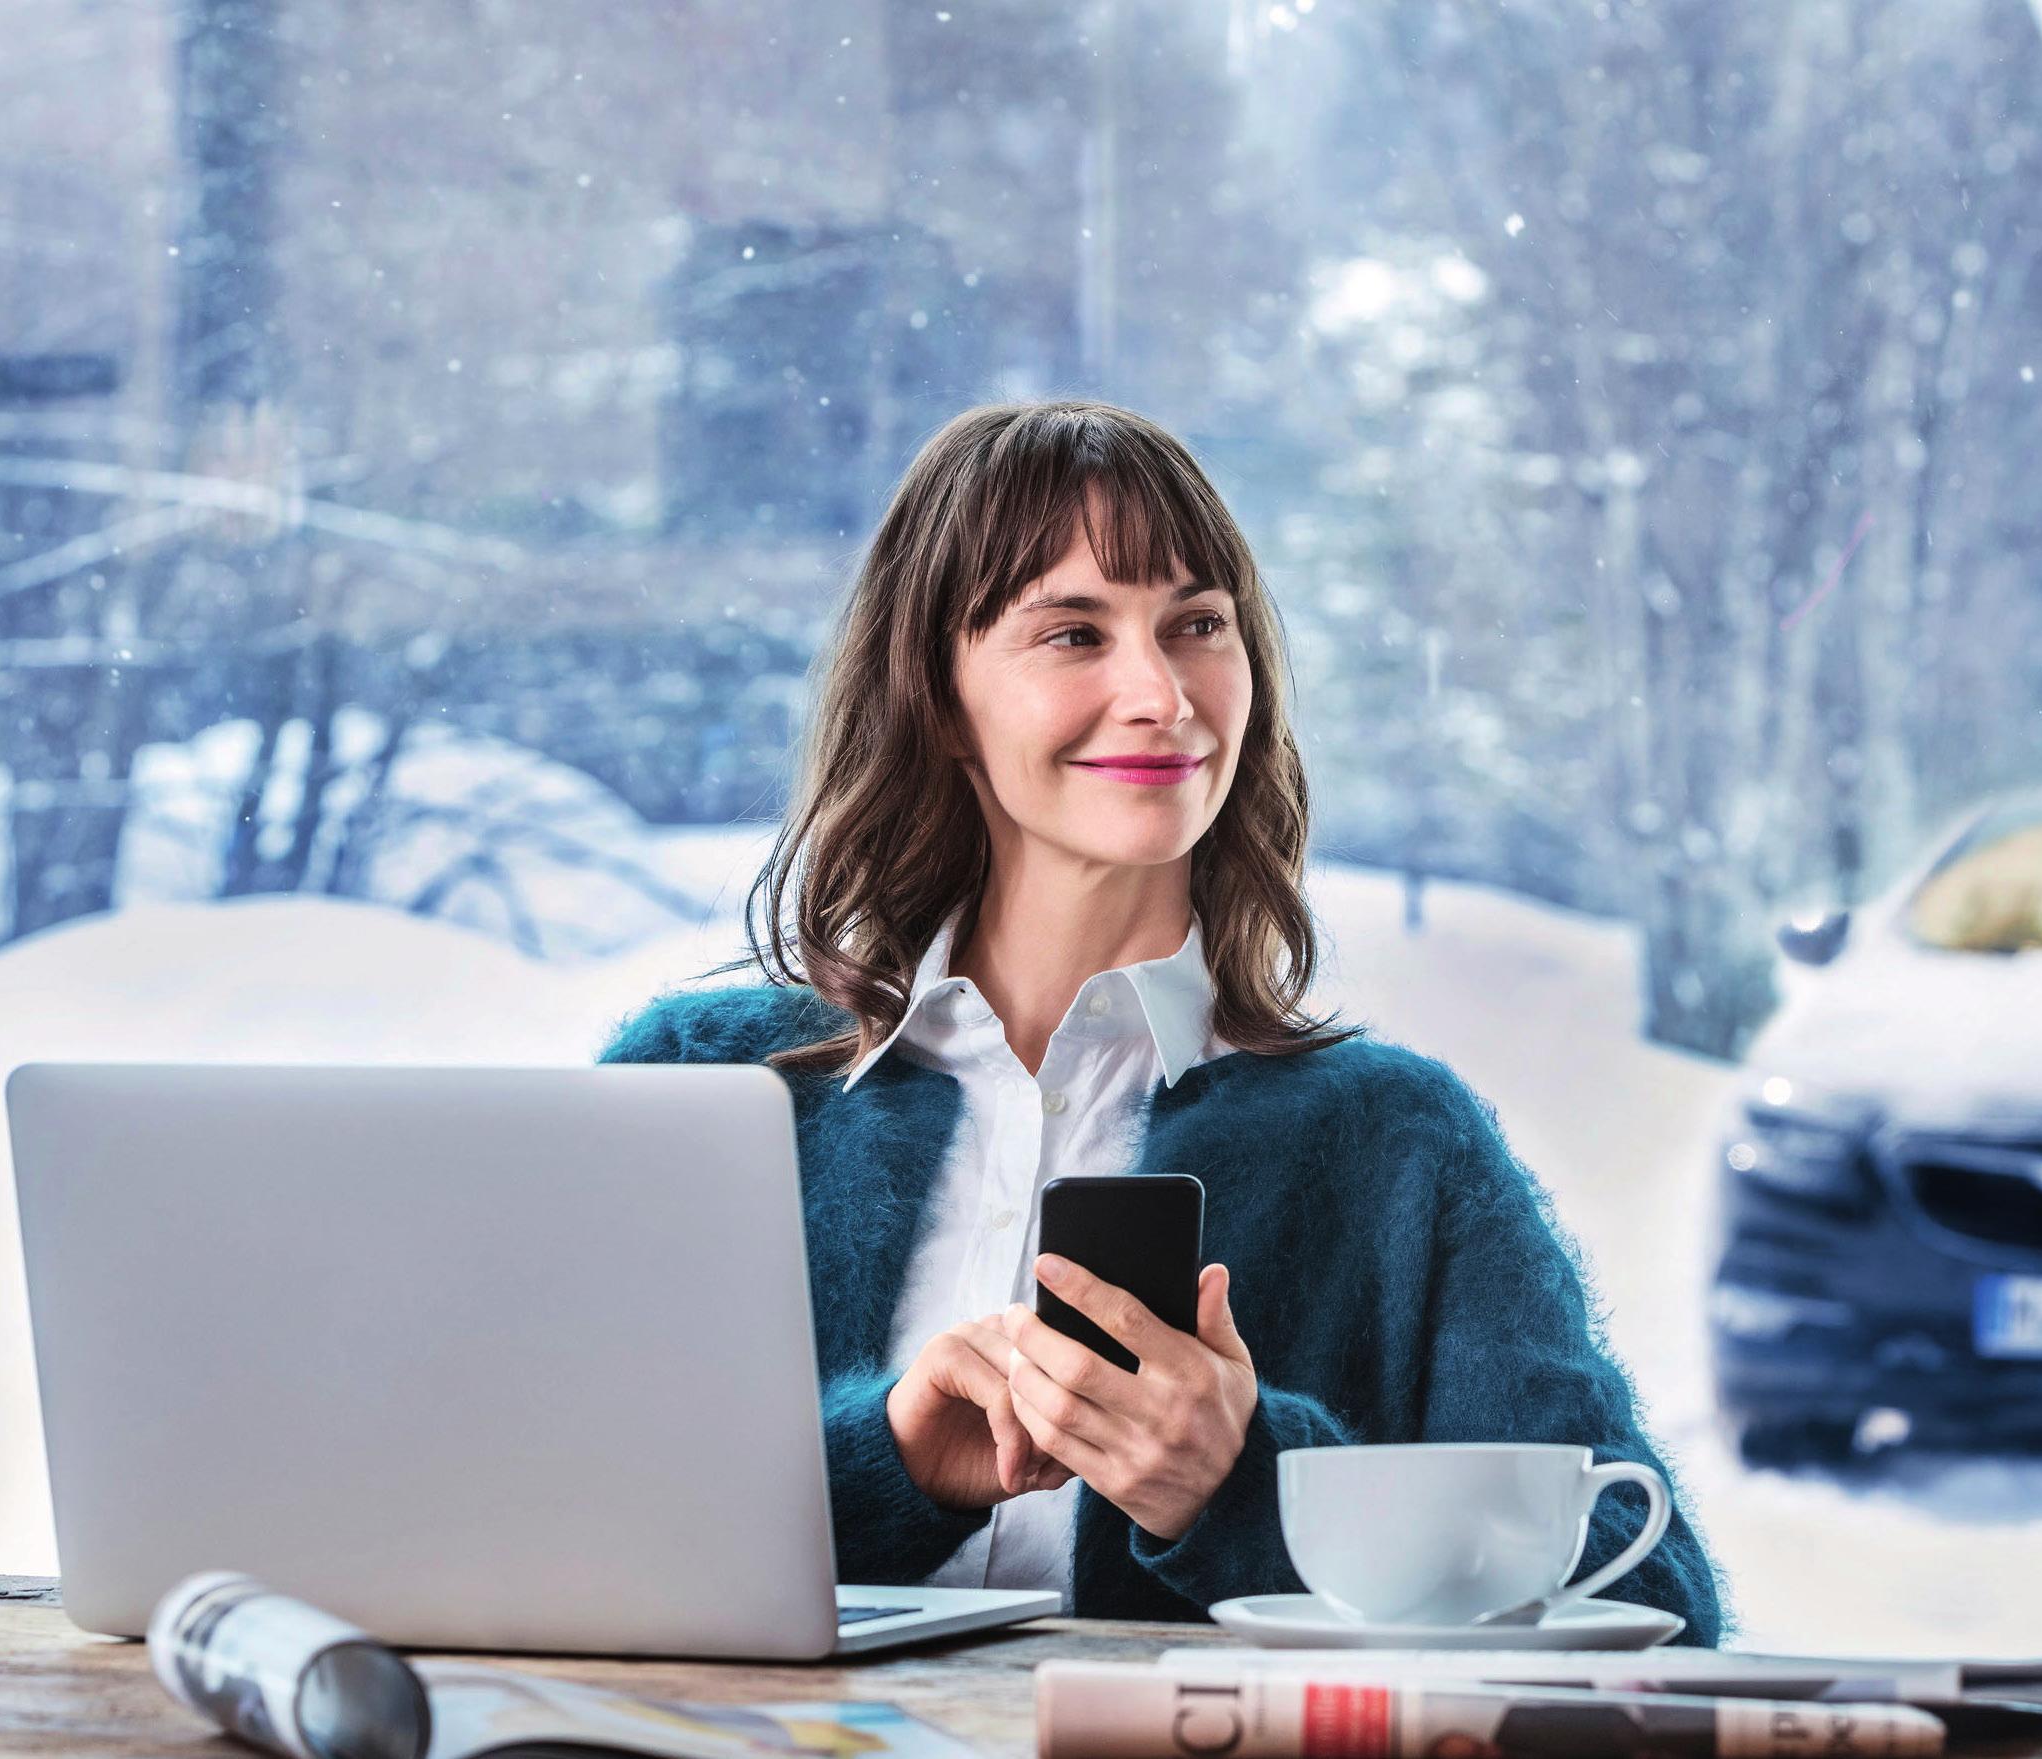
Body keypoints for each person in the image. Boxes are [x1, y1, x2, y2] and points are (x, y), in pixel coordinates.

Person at [599, 400, 1728, 1641]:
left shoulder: (1398, 1143)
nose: (1161, 693)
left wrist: (1237, 1484)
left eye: (1196, 626)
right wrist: (890, 1468)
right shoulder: (702, 1087)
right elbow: (539, 1520)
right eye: (1074, 632)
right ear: (935, 692)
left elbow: (1657, 1608)